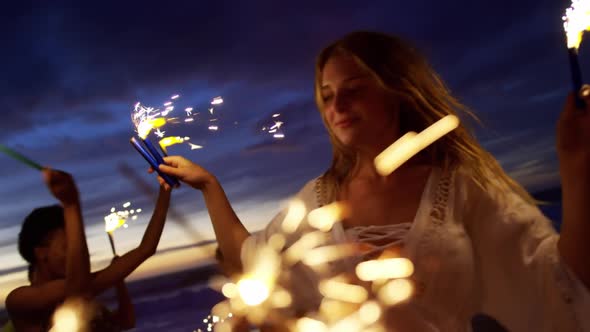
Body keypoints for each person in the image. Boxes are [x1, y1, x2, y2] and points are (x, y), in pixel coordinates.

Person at [156, 31, 590, 331]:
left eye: (354, 89)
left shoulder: (461, 188)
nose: (337, 105)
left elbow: (561, 281)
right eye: (326, 96)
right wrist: (209, 185)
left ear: (396, 90)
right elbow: (254, 260)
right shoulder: (320, 200)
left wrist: (574, 170)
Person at [6, 168, 171, 331]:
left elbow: (146, 249)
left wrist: (165, 190)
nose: (76, 255)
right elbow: (76, 289)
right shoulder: (19, 300)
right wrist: (71, 205)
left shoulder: (84, 292)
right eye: (68, 247)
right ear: (41, 252)